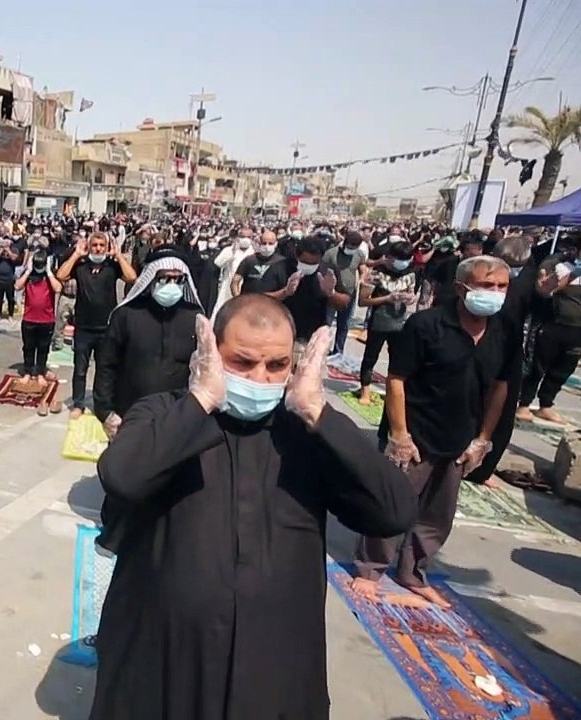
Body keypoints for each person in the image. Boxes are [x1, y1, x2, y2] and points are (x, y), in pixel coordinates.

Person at [91, 296, 415, 720]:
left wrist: (318, 410)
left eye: (277, 365)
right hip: (165, 660)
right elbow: (123, 478)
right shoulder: (165, 413)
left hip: (272, 666)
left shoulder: (306, 430)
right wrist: (203, 397)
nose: (260, 378)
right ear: (209, 353)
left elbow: (393, 512)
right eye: (242, 363)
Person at [352, 256, 514, 608]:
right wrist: (399, 433)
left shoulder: (506, 331)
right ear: (461, 288)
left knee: (437, 515)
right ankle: (370, 569)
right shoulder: (426, 325)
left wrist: (483, 439)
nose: (495, 294)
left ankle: (413, 571)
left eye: (502, 286)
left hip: (461, 438)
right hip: (417, 432)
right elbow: (397, 380)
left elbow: (500, 387)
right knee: (392, 503)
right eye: (487, 286)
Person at [94, 252, 203, 439]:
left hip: (177, 418)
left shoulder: (195, 317)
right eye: (165, 279)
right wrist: (105, 412)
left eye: (178, 280)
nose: (172, 285)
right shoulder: (127, 315)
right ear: (151, 279)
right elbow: (107, 364)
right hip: (129, 414)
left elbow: (203, 369)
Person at [469, 235, 538, 484]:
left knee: (501, 407)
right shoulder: (481, 272)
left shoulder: (529, 280)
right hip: (477, 340)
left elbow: (538, 310)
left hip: (508, 346)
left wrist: (545, 293)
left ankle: (483, 467)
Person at [55, 231, 138, 418]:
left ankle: (103, 404)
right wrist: (77, 254)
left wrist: (118, 256)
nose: (98, 249)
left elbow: (132, 278)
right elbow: (61, 275)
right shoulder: (81, 266)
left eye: (102, 245)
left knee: (105, 369)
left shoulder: (112, 266)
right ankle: (78, 403)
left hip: (106, 328)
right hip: (84, 327)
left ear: (106, 247)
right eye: (95, 245)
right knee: (80, 368)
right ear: (89, 246)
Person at [517, 234, 581, 426]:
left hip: (577, 330)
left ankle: (546, 404)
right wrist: (572, 274)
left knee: (563, 368)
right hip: (553, 324)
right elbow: (543, 289)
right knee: (538, 366)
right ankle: (524, 404)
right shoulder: (560, 265)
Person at [356, 240, 419, 404]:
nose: (403, 263)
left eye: (407, 259)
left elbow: (411, 293)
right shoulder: (376, 273)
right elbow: (362, 301)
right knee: (371, 356)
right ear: (390, 257)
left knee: (397, 359)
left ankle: (392, 390)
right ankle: (365, 390)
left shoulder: (410, 274)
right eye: (400, 259)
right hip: (379, 321)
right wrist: (387, 298)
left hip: (400, 322)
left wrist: (409, 298)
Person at [16, 245, 64, 415]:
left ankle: (41, 371)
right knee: (28, 347)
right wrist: (28, 270)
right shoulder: (29, 277)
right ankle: (29, 371)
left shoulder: (49, 278)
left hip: (46, 319)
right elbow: (17, 286)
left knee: (43, 348)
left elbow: (58, 288)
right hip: (29, 318)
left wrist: (49, 272)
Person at [324, 230, 366, 356]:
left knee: (344, 324)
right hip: (332, 293)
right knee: (326, 323)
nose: (352, 249)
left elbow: (362, 268)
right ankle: (322, 349)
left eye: (355, 247)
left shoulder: (359, 254)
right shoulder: (331, 253)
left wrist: (363, 277)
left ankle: (338, 351)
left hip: (349, 294)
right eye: (350, 246)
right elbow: (322, 269)